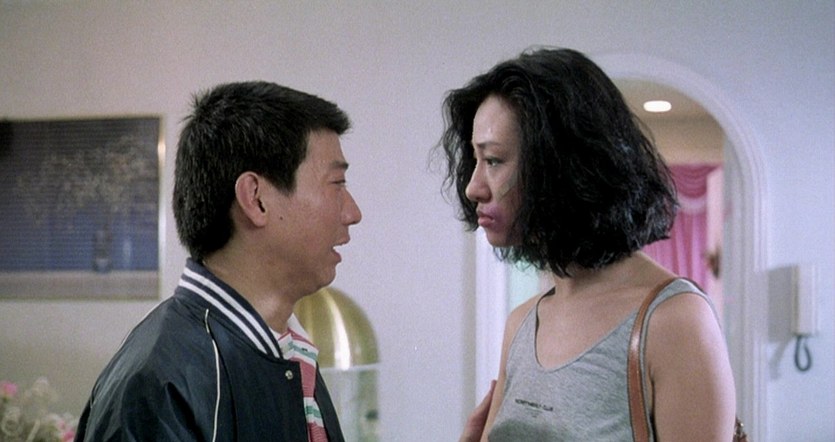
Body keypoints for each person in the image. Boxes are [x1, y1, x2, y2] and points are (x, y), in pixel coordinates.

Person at [441, 48, 737, 441]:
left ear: (564, 166)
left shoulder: (674, 320)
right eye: (475, 160)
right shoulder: (522, 324)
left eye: (493, 160)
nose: (472, 187)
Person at [75, 81, 362, 441]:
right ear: (256, 199)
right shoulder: (161, 383)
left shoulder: (286, 352)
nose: (353, 213)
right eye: (337, 183)